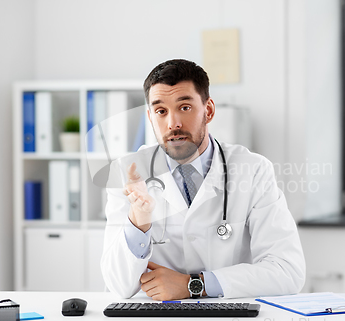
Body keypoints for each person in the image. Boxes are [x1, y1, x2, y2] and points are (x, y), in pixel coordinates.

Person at [101, 59, 305, 301]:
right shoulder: (127, 172)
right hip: (156, 320)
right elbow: (118, 286)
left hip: (229, 318)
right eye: (161, 111)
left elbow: (287, 271)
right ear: (150, 116)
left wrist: (195, 285)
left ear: (208, 111)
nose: (173, 123)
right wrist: (139, 221)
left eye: (185, 107)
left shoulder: (253, 170)